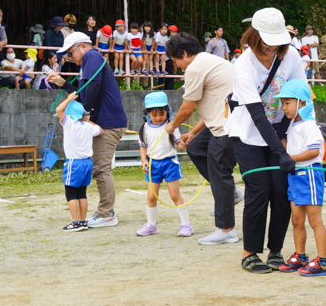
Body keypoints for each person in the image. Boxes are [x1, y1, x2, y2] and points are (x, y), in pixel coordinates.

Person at [226, 8, 304, 274]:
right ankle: (250, 252)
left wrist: (283, 134)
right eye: (267, 39)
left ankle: (276, 250)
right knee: (258, 190)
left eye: (277, 39)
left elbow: (298, 97)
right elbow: (257, 115)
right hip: (248, 133)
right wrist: (280, 152)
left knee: (281, 191)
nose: (273, 45)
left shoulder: (291, 55)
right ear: (255, 35)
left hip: (280, 129)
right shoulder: (244, 64)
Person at [165, 33, 242, 246]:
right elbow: (214, 105)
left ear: (184, 54)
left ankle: (226, 229)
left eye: (175, 60)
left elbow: (187, 108)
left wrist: (171, 126)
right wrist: (193, 133)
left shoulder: (195, 68)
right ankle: (232, 193)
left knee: (219, 174)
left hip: (228, 127)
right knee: (197, 148)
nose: (177, 65)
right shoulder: (211, 61)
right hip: (223, 121)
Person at [48, 32, 129, 228]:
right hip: (103, 123)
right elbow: (83, 95)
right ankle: (104, 211)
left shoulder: (91, 56)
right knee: (97, 168)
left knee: (101, 168)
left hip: (107, 124)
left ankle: (106, 214)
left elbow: (91, 90)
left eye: (70, 53)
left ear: (81, 47)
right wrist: (64, 84)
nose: (70, 58)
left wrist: (85, 114)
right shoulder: (89, 61)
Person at [274, 79, 326, 276]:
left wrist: (289, 158)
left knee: (315, 220)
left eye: (288, 103)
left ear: (303, 103)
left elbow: (315, 152)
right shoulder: (292, 125)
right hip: (295, 176)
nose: (284, 107)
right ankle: (301, 256)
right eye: (283, 103)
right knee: (297, 220)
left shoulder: (309, 125)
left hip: (309, 174)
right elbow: (289, 147)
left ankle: (323, 261)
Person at [134, 92, 192, 237]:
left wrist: (184, 144)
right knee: (151, 197)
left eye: (162, 113)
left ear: (167, 111)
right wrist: (144, 161)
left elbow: (179, 145)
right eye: (154, 115)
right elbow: (143, 146)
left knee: (174, 195)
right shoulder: (144, 128)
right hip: (153, 165)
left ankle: (186, 225)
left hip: (170, 163)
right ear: (147, 113)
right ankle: (151, 225)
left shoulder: (172, 126)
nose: (158, 117)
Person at [55, 93, 102, 232]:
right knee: (82, 193)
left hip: (74, 163)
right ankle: (82, 221)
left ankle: (76, 222)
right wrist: (87, 120)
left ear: (70, 115)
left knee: (70, 194)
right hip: (87, 163)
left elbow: (58, 110)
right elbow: (101, 131)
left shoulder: (69, 123)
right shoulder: (88, 126)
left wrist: (69, 98)